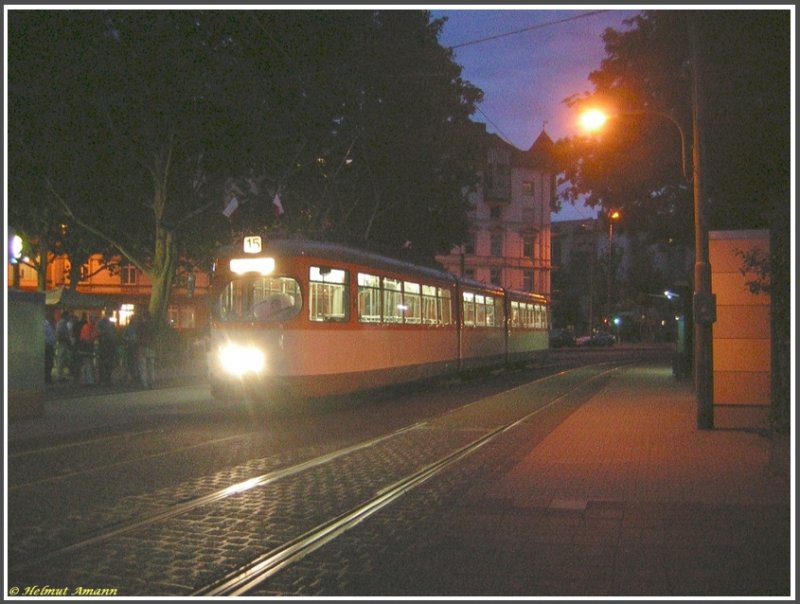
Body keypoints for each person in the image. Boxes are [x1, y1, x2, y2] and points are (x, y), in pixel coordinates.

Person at [96, 308, 117, 385]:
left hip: (109, 344)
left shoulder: (111, 324)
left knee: (108, 362)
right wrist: (105, 332)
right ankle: (103, 379)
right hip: (104, 344)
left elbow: (114, 334)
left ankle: (107, 379)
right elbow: (98, 332)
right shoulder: (101, 323)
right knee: (103, 362)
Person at [137, 309, 156, 388]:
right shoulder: (153, 325)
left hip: (143, 346)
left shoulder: (142, 325)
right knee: (151, 366)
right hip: (152, 347)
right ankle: (151, 382)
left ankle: (144, 383)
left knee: (143, 366)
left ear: (143, 316)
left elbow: (139, 335)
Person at [78, 314, 98, 385]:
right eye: (95, 319)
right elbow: (86, 339)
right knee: (87, 364)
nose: (96, 321)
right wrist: (93, 338)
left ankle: (85, 380)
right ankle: (89, 380)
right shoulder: (87, 327)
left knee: (87, 364)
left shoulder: (91, 327)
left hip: (87, 348)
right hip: (85, 348)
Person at [55, 310, 73, 381]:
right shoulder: (62, 323)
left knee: (63, 359)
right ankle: (59, 375)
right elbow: (60, 333)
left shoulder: (63, 323)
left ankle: (61, 374)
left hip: (63, 342)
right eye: (68, 316)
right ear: (65, 316)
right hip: (63, 342)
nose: (69, 317)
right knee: (61, 358)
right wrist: (67, 339)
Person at [44, 317, 56, 384]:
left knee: (49, 363)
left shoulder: (49, 326)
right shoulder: (46, 325)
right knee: (48, 363)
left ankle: (48, 377)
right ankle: (47, 378)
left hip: (50, 346)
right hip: (47, 346)